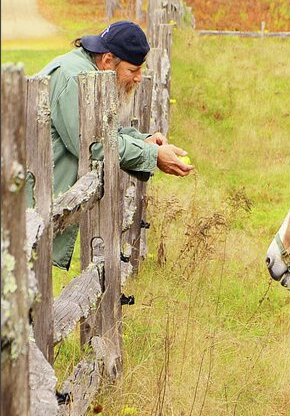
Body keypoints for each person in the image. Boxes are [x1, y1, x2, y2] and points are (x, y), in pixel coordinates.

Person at [29, 20, 193, 270]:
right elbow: (94, 145)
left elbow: (103, 132)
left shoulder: (87, 71)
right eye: (133, 70)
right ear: (108, 60)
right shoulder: (73, 77)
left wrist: (143, 141)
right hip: (23, 205)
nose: (139, 78)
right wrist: (152, 155)